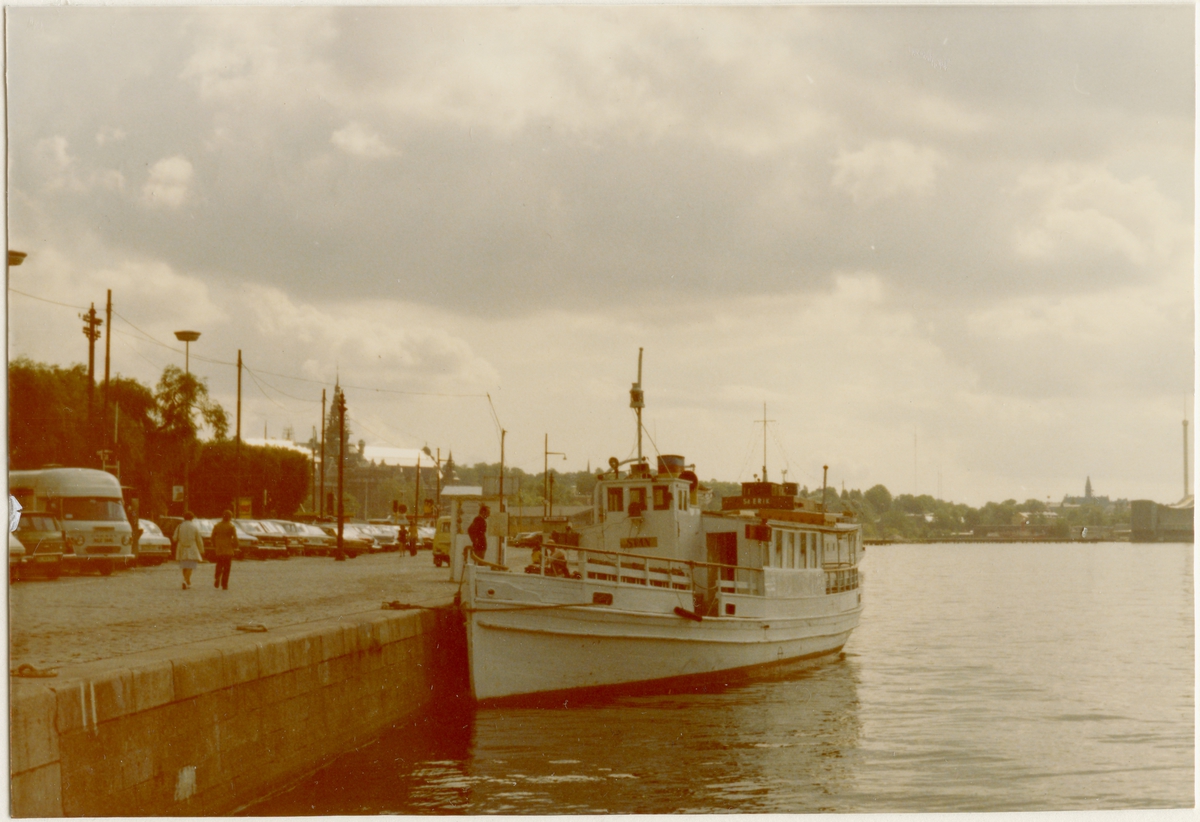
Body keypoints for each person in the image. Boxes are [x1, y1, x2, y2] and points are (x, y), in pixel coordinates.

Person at [175, 511, 204, 590]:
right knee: (190, 565)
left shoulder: (179, 526)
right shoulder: (194, 527)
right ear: (192, 518)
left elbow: (174, 538)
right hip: (192, 547)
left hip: (182, 547)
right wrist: (201, 549)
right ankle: (185, 580)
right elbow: (199, 539)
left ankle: (188, 581)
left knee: (184, 565)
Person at [211, 510, 238, 590]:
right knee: (227, 567)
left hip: (219, 549)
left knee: (219, 564)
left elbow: (212, 537)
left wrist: (215, 544)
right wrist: (235, 545)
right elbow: (235, 538)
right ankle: (224, 584)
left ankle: (217, 575)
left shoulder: (217, 526)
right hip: (228, 549)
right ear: (230, 517)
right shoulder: (231, 526)